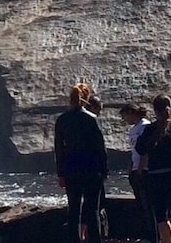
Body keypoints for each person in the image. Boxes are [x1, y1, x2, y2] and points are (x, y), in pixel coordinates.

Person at [54, 83, 108, 243]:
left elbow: (59, 149)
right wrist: (104, 170)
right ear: (86, 99)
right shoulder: (92, 119)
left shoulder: (62, 120)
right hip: (92, 169)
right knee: (92, 211)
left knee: (74, 210)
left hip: (71, 168)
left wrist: (60, 173)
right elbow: (100, 147)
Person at [137, 95, 171, 243]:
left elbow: (140, 149)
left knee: (161, 216)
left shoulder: (150, 130)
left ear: (154, 110)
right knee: (169, 212)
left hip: (157, 177)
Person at [120, 103, 156, 241]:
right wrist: (131, 167)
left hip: (145, 169)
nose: (124, 120)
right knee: (141, 204)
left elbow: (145, 149)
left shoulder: (145, 126)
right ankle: (146, 234)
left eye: (124, 116)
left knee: (147, 204)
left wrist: (140, 169)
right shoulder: (133, 129)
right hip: (136, 169)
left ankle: (152, 235)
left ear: (131, 112)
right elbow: (135, 150)